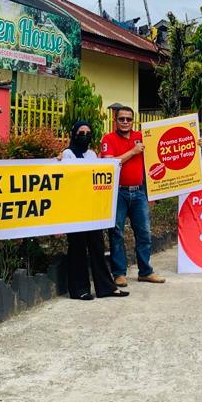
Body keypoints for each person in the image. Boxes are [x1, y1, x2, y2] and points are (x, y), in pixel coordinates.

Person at [61, 121, 128, 300]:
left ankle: (106, 287)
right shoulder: (67, 154)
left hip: (92, 208)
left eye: (88, 133)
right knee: (78, 248)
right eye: (81, 132)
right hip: (75, 209)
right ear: (74, 134)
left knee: (97, 247)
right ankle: (79, 289)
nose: (85, 136)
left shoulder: (91, 154)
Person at [100, 106, 165, 286]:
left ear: (133, 121)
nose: (125, 122)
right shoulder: (108, 139)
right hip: (117, 192)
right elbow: (108, 163)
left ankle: (145, 272)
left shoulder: (141, 136)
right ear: (115, 120)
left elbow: (165, 148)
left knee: (144, 232)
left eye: (128, 119)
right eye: (122, 119)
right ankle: (119, 273)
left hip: (138, 192)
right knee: (117, 234)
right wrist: (133, 152)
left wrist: (194, 143)